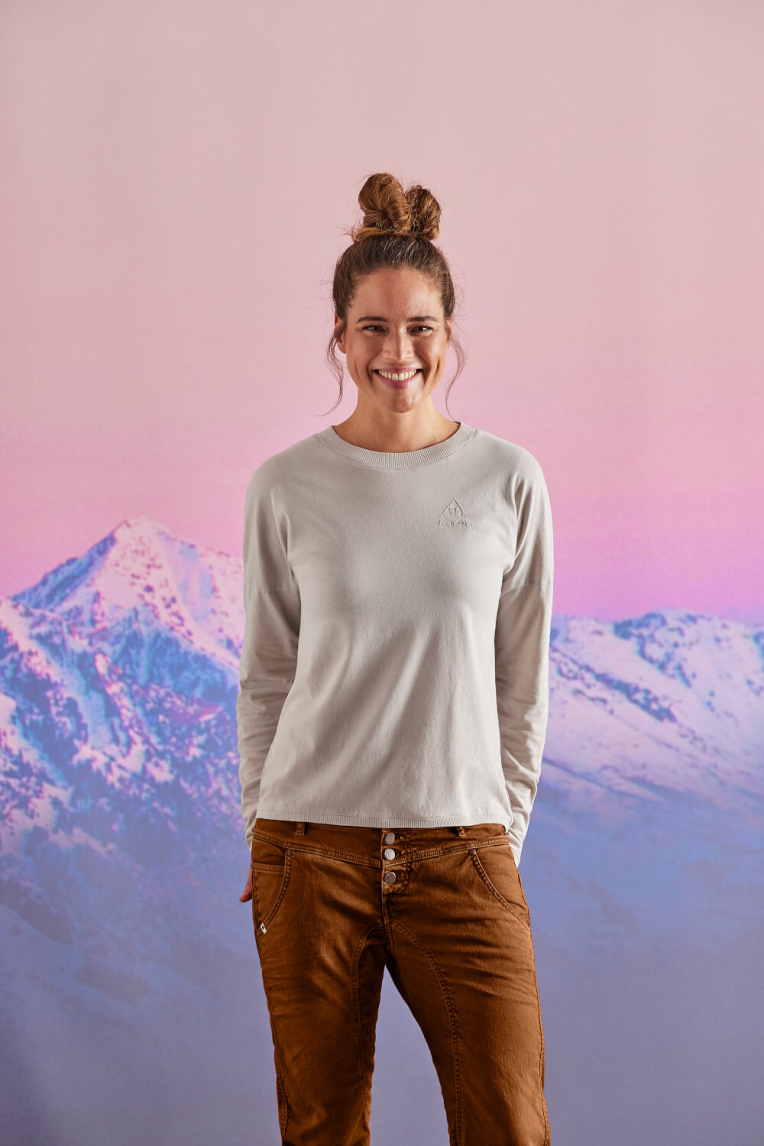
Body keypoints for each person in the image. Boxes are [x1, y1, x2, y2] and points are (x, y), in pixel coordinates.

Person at [237, 172, 554, 1145]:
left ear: (448, 334)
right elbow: (268, 673)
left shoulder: (508, 480)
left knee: (508, 1124)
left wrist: (499, 831)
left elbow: (520, 678)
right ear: (339, 336)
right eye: (372, 328)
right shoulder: (284, 486)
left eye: (419, 327)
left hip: (462, 849)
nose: (397, 351)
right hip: (309, 850)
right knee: (322, 1130)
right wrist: (260, 827)